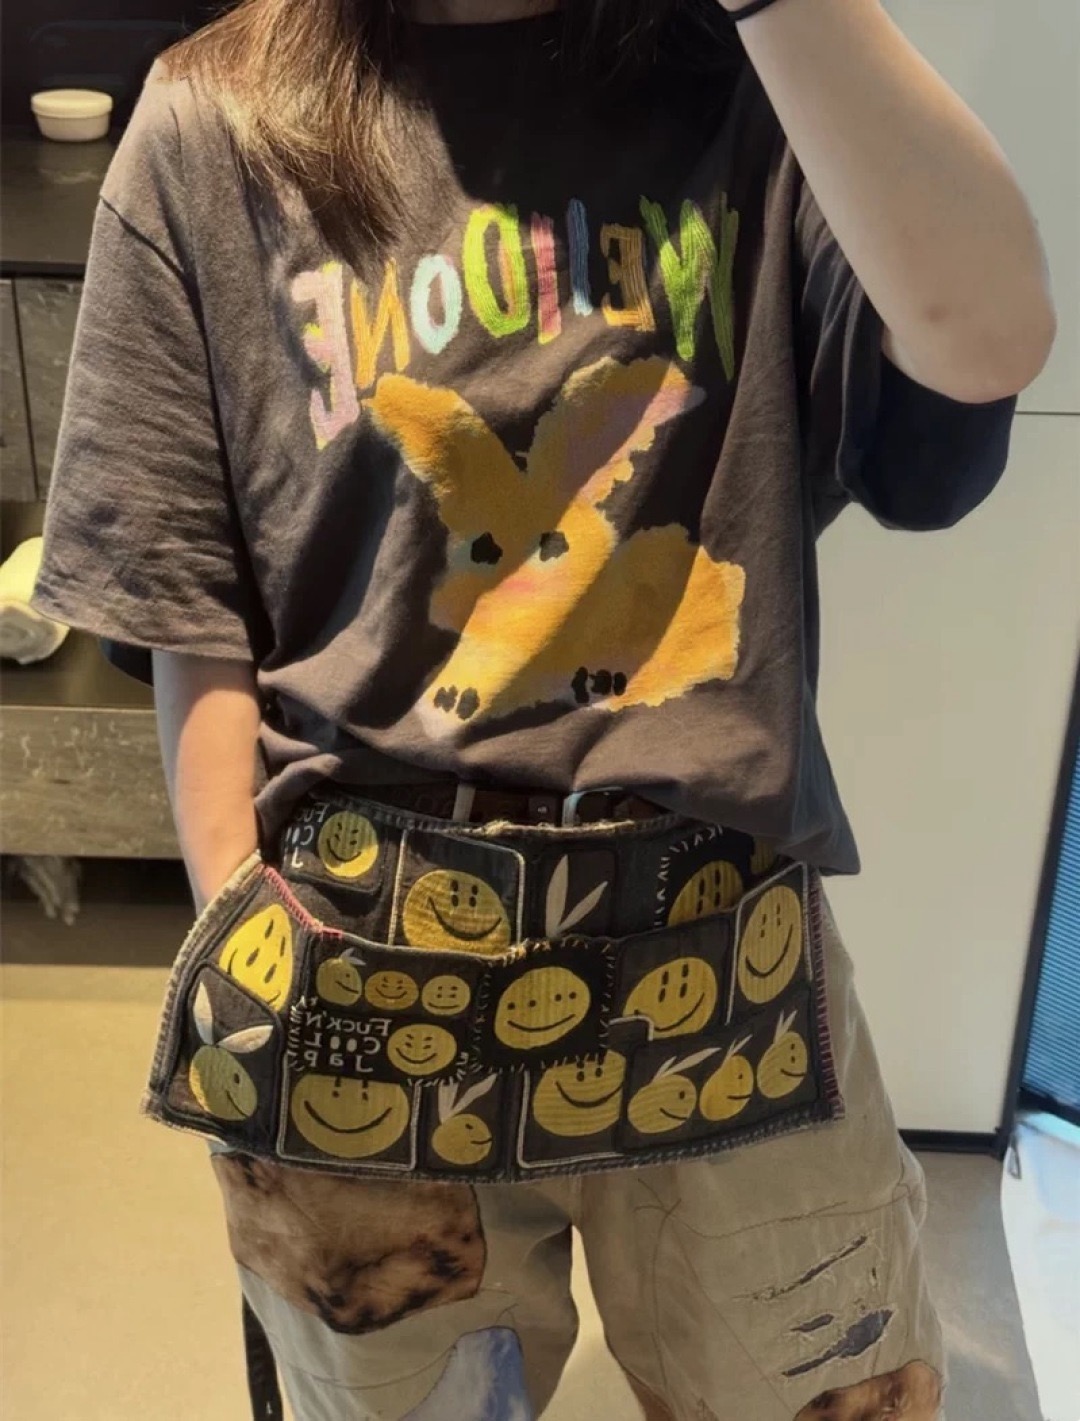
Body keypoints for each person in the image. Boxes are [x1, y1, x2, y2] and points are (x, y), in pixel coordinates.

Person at [31, 0, 1055, 1415]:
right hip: (352, 951)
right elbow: (182, 591)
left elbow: (987, 342)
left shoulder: (761, 81)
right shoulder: (213, 119)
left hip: (720, 942)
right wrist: (240, 921)